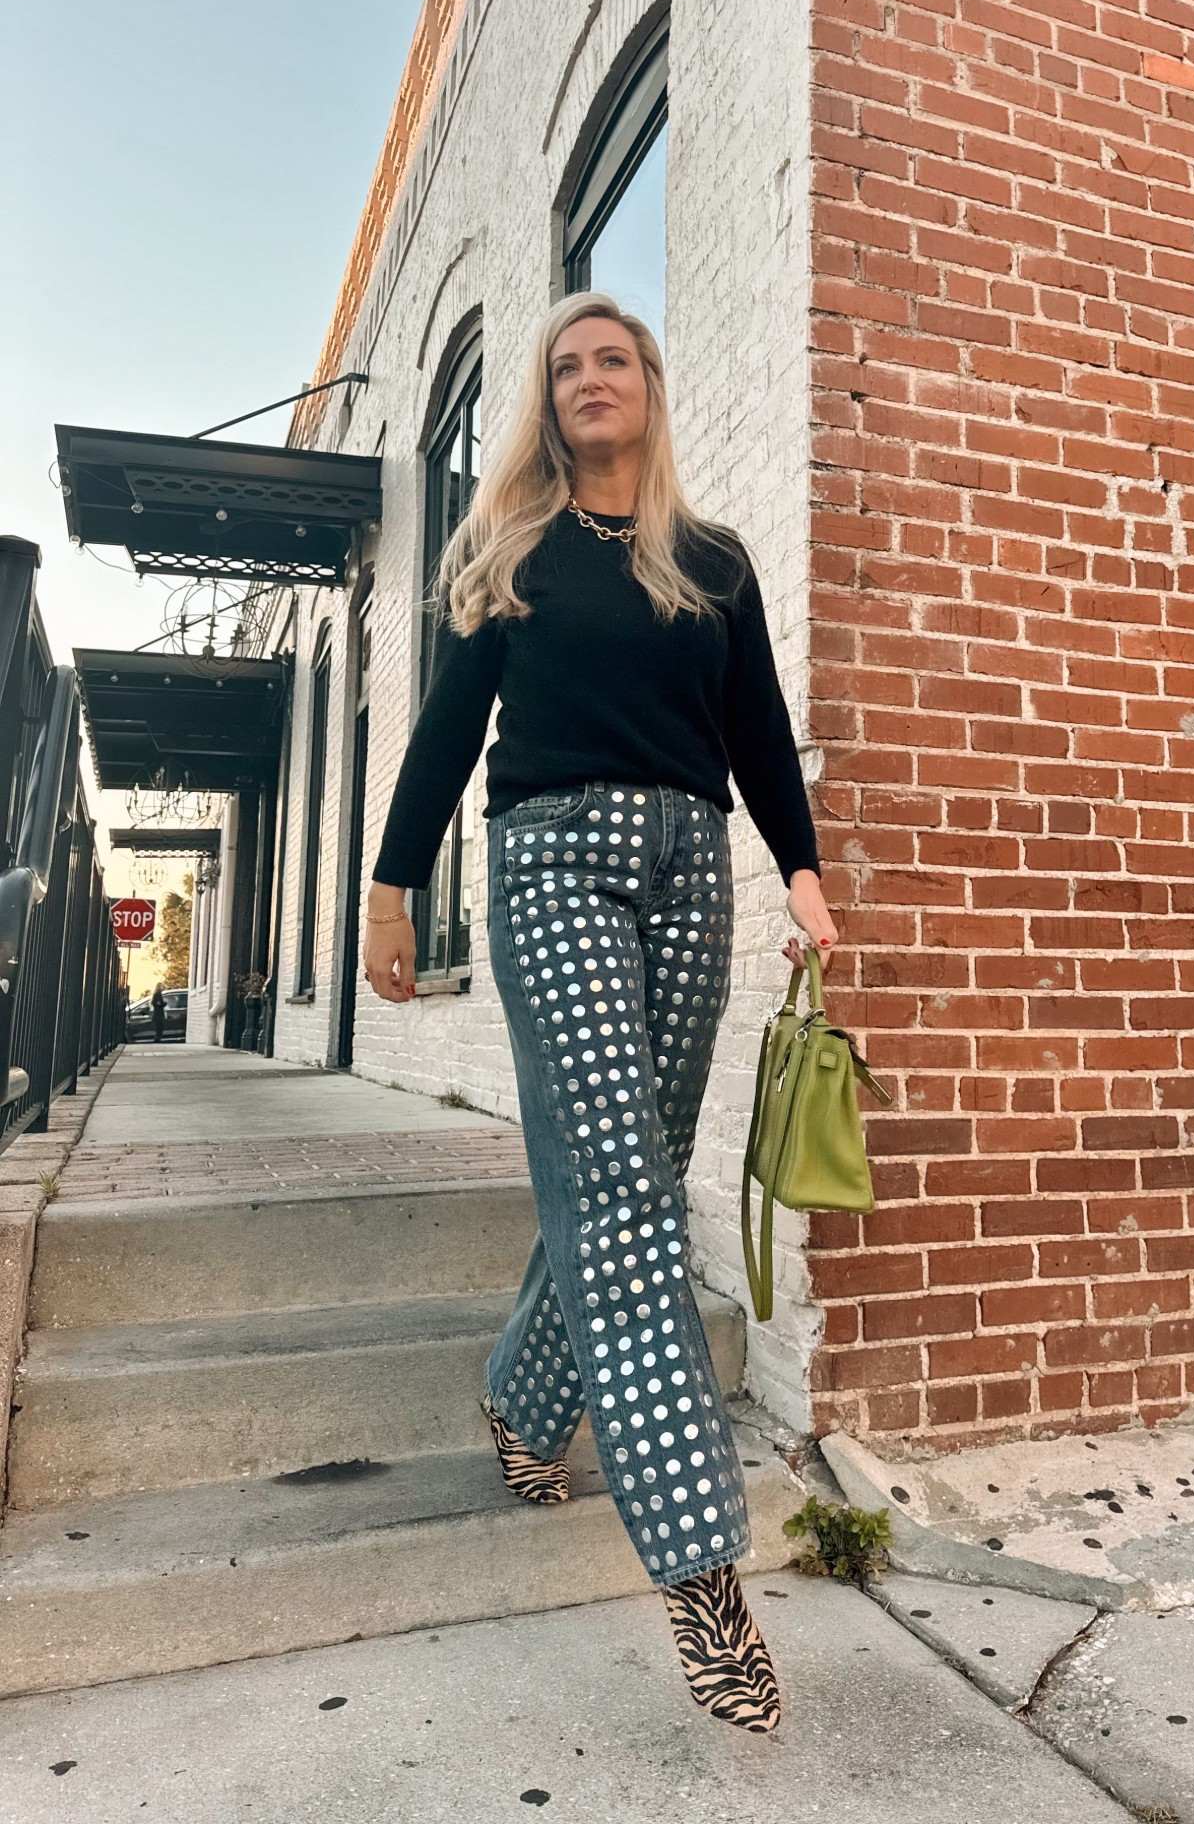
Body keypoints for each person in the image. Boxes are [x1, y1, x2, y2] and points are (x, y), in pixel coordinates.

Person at [363, 291, 838, 1734]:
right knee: (628, 1201)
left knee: (615, 1178)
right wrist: (393, 889)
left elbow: (757, 728)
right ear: (548, 403)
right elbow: (450, 730)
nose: (589, 379)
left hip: (693, 872)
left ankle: (520, 1397)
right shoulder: (510, 553)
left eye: (611, 359)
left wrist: (805, 879)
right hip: (552, 864)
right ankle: (705, 1576)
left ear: (648, 386)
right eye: (565, 366)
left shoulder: (712, 562)